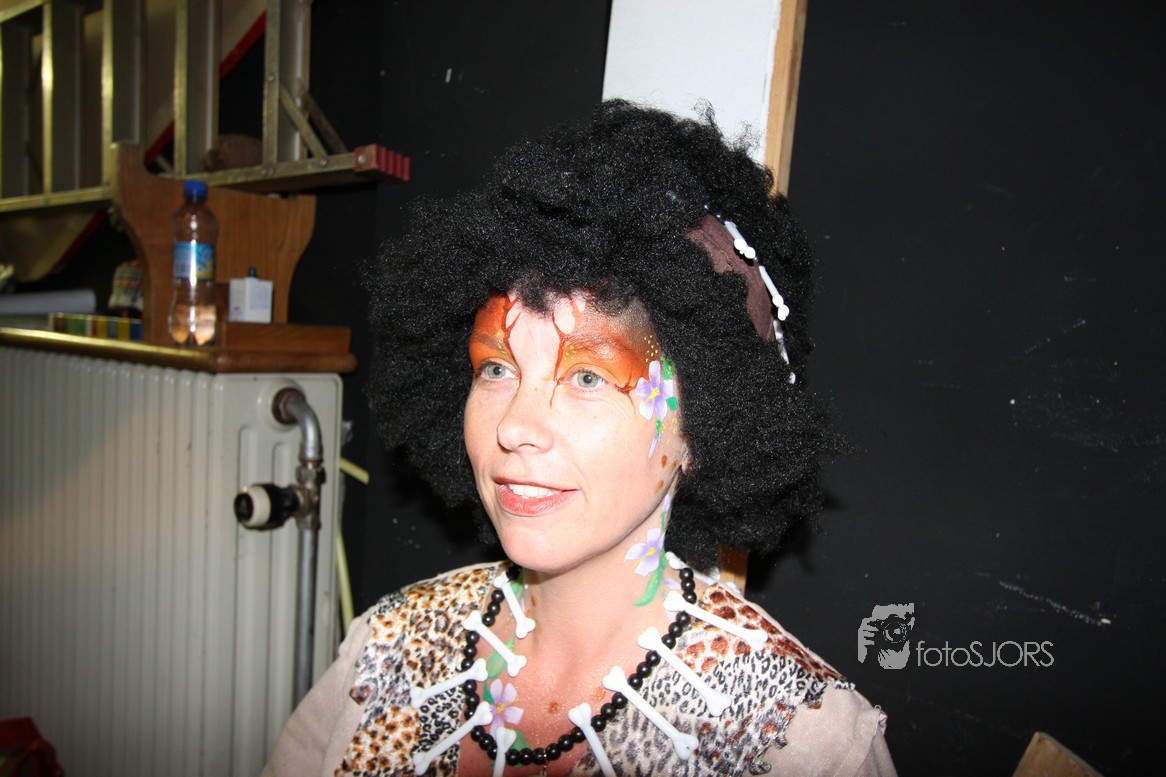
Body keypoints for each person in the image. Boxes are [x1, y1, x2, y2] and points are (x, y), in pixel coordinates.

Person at [262, 101, 895, 776]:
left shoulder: (796, 740)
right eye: (496, 369)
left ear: (701, 427)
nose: (515, 426)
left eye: (588, 377)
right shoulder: (382, 654)